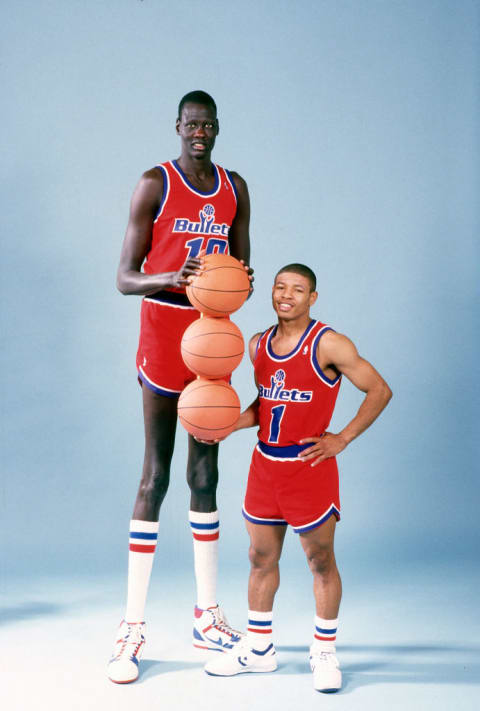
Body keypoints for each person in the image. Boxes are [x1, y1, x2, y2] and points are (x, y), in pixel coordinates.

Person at [108, 90, 252, 684]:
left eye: (208, 124)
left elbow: (243, 271)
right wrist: (176, 276)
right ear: (177, 127)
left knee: (206, 473)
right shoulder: (154, 183)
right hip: (165, 333)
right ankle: (132, 627)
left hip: (211, 337)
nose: (200, 131)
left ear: (218, 128)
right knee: (156, 474)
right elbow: (123, 277)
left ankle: (206, 613)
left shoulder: (235, 187)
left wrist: (222, 290)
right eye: (191, 124)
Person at [204, 263, 392, 693]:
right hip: (265, 467)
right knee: (259, 558)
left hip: (309, 468)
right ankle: (259, 649)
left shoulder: (330, 343)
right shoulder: (258, 345)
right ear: (271, 293)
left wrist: (342, 438)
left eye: (298, 289)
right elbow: (265, 404)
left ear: (313, 297)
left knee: (320, 561)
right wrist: (225, 423)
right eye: (280, 287)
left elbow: (379, 389)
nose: (287, 295)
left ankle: (324, 650)